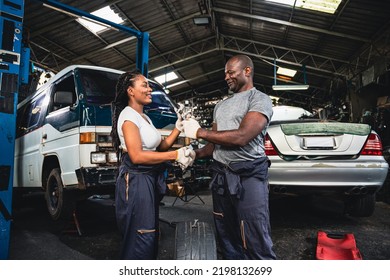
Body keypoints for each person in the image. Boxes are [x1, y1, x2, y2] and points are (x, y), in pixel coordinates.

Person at [182, 55, 277, 260]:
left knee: (253, 231)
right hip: (221, 177)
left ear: (247, 71)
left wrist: (199, 132)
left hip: (248, 175)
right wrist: (194, 154)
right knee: (225, 231)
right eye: (225, 73)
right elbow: (213, 145)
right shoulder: (220, 106)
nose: (226, 77)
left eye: (231, 72)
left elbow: (242, 137)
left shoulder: (259, 99)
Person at [111, 70, 195, 260]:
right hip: (136, 180)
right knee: (141, 235)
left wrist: (178, 128)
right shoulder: (129, 117)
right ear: (130, 91)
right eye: (144, 85)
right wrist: (176, 155)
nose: (150, 89)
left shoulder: (144, 117)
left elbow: (159, 146)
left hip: (147, 179)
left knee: (149, 232)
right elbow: (137, 156)